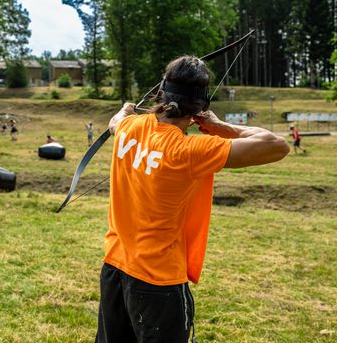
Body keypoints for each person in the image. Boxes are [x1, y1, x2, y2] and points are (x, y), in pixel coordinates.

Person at [96, 55, 289, 343]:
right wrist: (221, 126)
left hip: (114, 268)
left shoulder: (129, 127)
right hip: (157, 280)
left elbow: (116, 121)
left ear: (161, 93)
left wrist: (125, 108)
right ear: (199, 108)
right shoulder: (188, 151)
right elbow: (277, 145)